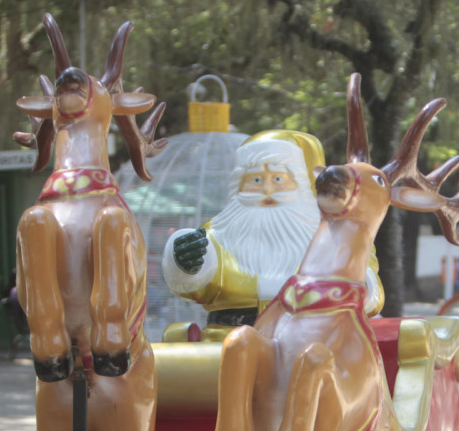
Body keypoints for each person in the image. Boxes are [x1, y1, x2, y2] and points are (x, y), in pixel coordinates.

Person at [162, 130, 383, 327]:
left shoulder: (341, 236)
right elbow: (192, 285)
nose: (267, 190)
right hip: (227, 337)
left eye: (278, 179)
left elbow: (372, 293)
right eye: (256, 180)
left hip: (313, 337)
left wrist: (358, 282)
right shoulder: (218, 234)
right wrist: (187, 265)